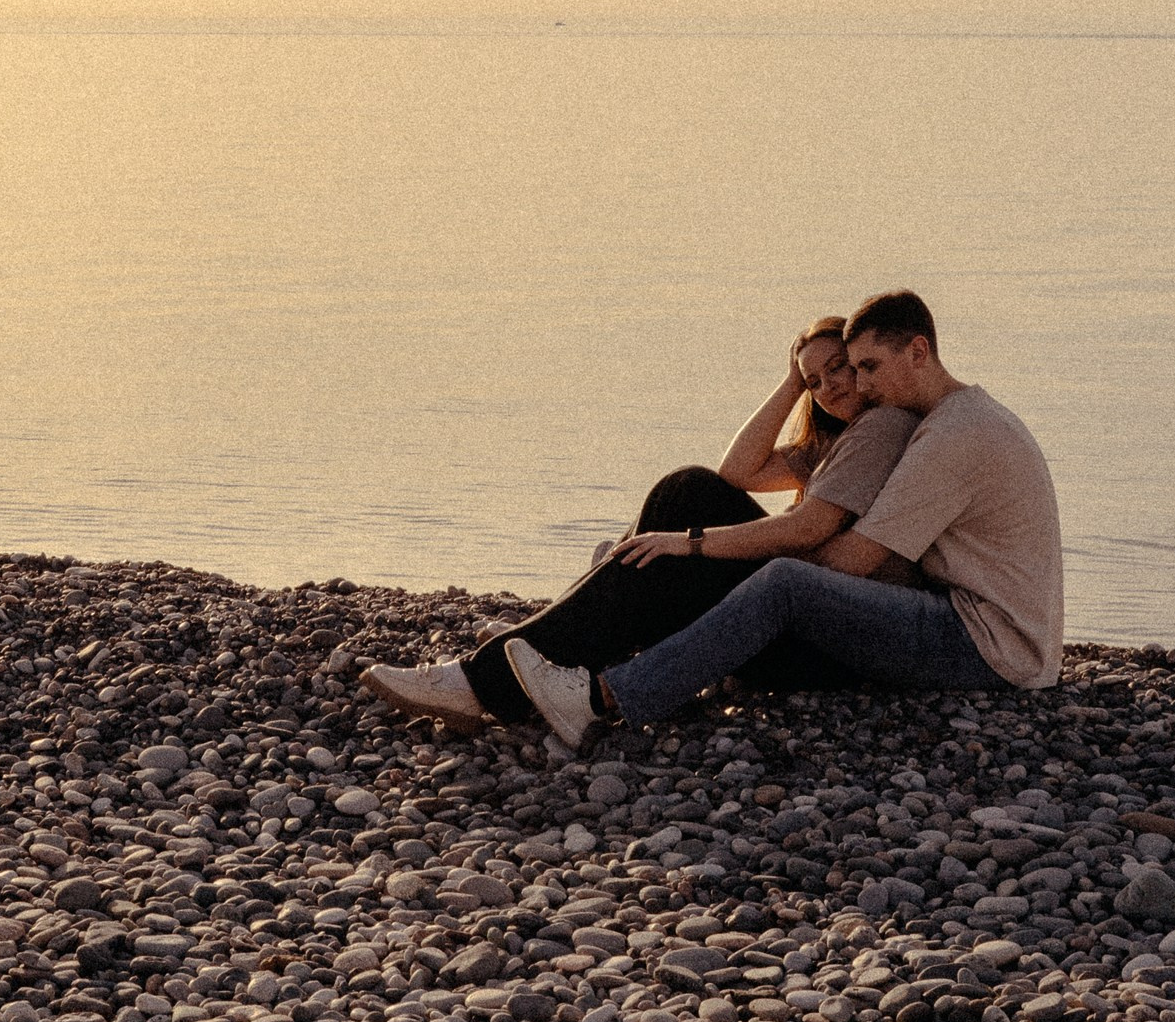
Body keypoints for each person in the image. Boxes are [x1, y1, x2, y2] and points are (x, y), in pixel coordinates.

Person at [503, 288, 1064, 746]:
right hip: (982, 628)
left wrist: (715, 558)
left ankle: (600, 699)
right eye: (853, 369)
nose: (861, 384)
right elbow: (740, 473)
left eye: (868, 367)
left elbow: (853, 560)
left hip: (990, 646)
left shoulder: (953, 435)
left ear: (918, 351)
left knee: (784, 583)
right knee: (727, 550)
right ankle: (567, 647)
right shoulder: (952, 420)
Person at [360, 314, 919, 736]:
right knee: (685, 499)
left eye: (839, 367)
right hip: (800, 629)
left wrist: (690, 543)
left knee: (684, 502)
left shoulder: (879, 429)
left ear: (863, 361)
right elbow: (739, 471)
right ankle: (546, 646)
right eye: (814, 381)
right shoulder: (837, 443)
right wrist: (790, 382)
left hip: (811, 642)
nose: (829, 386)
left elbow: (806, 530)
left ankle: (485, 680)